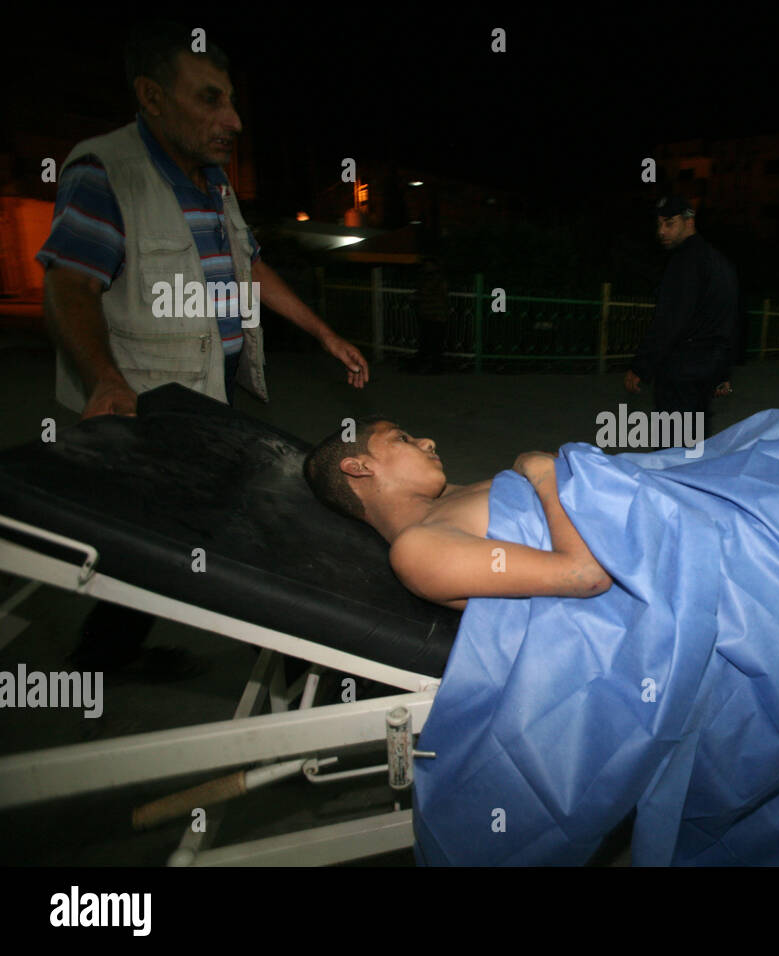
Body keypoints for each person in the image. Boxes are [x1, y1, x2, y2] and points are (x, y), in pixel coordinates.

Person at [37, 21, 370, 677]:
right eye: (211, 99)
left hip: (208, 391)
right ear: (151, 97)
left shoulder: (212, 181)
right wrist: (104, 381)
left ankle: (100, 660)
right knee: (232, 528)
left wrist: (322, 332)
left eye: (232, 101)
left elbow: (250, 268)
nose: (234, 119)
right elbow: (69, 286)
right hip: (144, 407)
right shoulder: (105, 172)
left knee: (154, 539)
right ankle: (293, 665)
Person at [303, 419, 609, 610]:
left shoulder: (450, 497)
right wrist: (542, 472)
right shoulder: (418, 548)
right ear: (359, 467)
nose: (428, 442)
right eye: (402, 438)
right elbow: (585, 575)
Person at [624, 195, 738, 443]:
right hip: (707, 368)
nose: (661, 231)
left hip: (681, 368)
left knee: (671, 446)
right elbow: (730, 318)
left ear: (689, 222)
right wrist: (723, 371)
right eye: (659, 224)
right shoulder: (718, 261)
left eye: (669, 223)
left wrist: (641, 366)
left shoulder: (685, 261)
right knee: (695, 442)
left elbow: (670, 319)